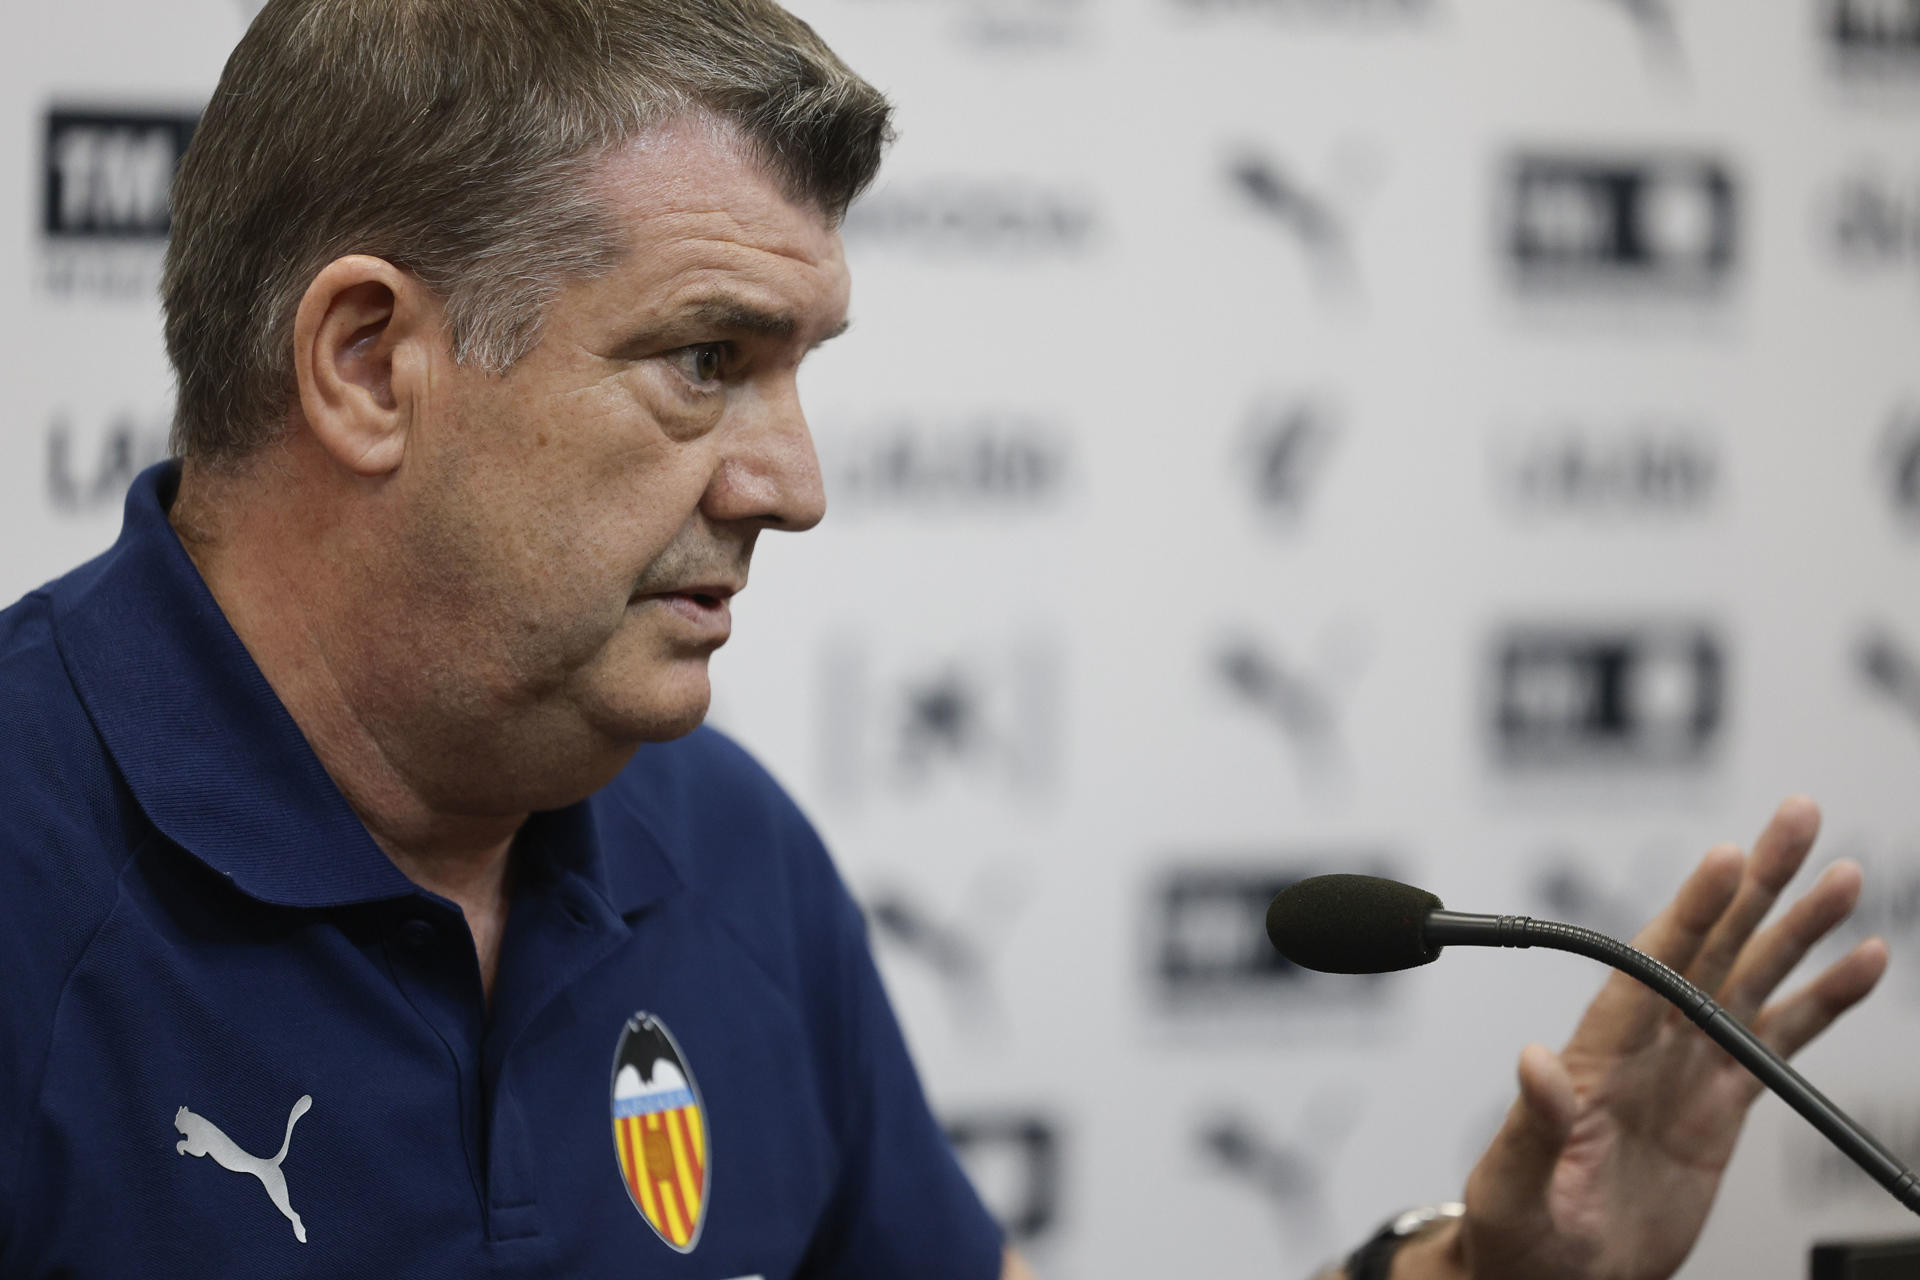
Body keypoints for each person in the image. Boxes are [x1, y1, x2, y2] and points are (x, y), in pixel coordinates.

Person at [0, 0, 1886, 1277]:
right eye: (706, 363)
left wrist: (1471, 1275)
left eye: (797, 375)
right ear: (366, 363)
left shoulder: (722, 850)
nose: (795, 486)